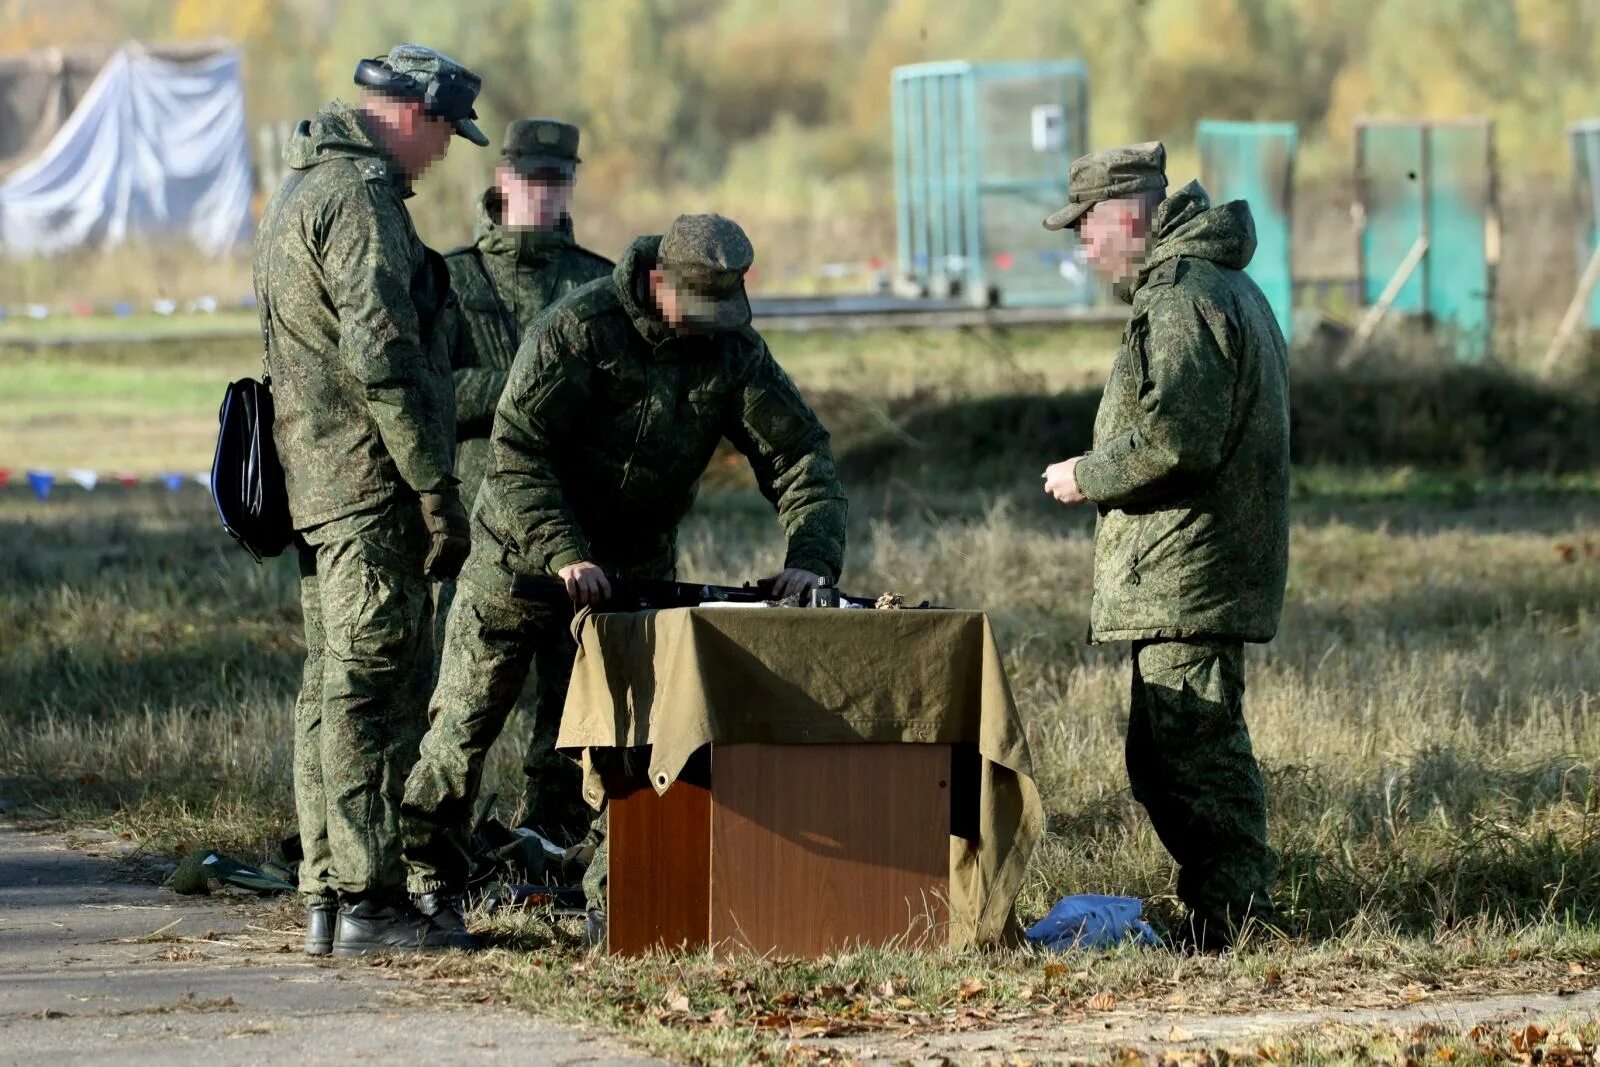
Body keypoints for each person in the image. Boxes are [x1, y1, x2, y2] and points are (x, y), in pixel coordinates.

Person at [399, 213, 847, 942]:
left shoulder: (733, 353)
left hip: (634, 575)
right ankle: (427, 876)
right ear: (657, 281)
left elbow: (800, 455)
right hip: (518, 559)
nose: (708, 328)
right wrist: (562, 548)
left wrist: (812, 557)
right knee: (464, 729)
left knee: (633, 745)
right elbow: (517, 450)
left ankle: (620, 898)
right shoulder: (576, 329)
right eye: (696, 310)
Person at [253, 43, 487, 958]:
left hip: (319, 482)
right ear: (414, 114)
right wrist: (433, 485)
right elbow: (384, 359)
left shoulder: (303, 191)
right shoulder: (361, 203)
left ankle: (326, 891)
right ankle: (370, 900)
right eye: (444, 133)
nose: (443, 154)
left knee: (328, 689)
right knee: (374, 695)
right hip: (368, 485)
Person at [1039, 142, 1290, 952]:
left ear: (1125, 217)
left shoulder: (1183, 298)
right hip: (1194, 565)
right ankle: (1224, 912)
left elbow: (1177, 435)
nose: (1083, 250)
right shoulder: (1217, 285)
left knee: (1195, 753)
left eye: (1084, 231)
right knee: (1166, 753)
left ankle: (1236, 922)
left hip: (1189, 569)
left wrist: (1089, 473)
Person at [433, 119, 613, 846]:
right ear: (503, 182)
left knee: (575, 698)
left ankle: (554, 838)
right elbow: (429, 391)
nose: (543, 195)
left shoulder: (599, 282)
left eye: (556, 181)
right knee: (463, 702)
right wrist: (530, 385)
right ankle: (437, 840)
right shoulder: (452, 278)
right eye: (531, 180)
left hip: (582, 523)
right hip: (485, 526)